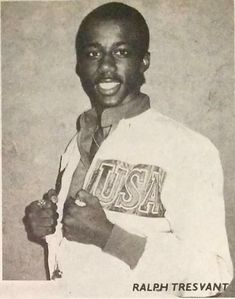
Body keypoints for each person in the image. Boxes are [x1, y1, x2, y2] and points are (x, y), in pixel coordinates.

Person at [25, 2, 233, 297]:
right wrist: (49, 228)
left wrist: (109, 236)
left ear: (143, 61)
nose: (106, 67)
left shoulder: (188, 149)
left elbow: (212, 277)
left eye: (121, 52)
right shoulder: (75, 144)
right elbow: (77, 248)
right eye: (93, 54)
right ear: (79, 64)